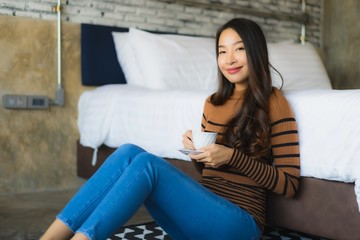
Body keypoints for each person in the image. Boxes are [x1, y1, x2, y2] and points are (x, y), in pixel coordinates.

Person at [41, 18, 300, 240]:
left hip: (241, 225)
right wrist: (198, 155)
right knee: (128, 152)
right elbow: (210, 172)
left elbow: (289, 185)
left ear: (255, 52)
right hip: (201, 217)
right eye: (222, 51)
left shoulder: (274, 101)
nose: (229, 59)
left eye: (239, 49)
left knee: (148, 166)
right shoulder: (213, 103)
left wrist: (232, 156)